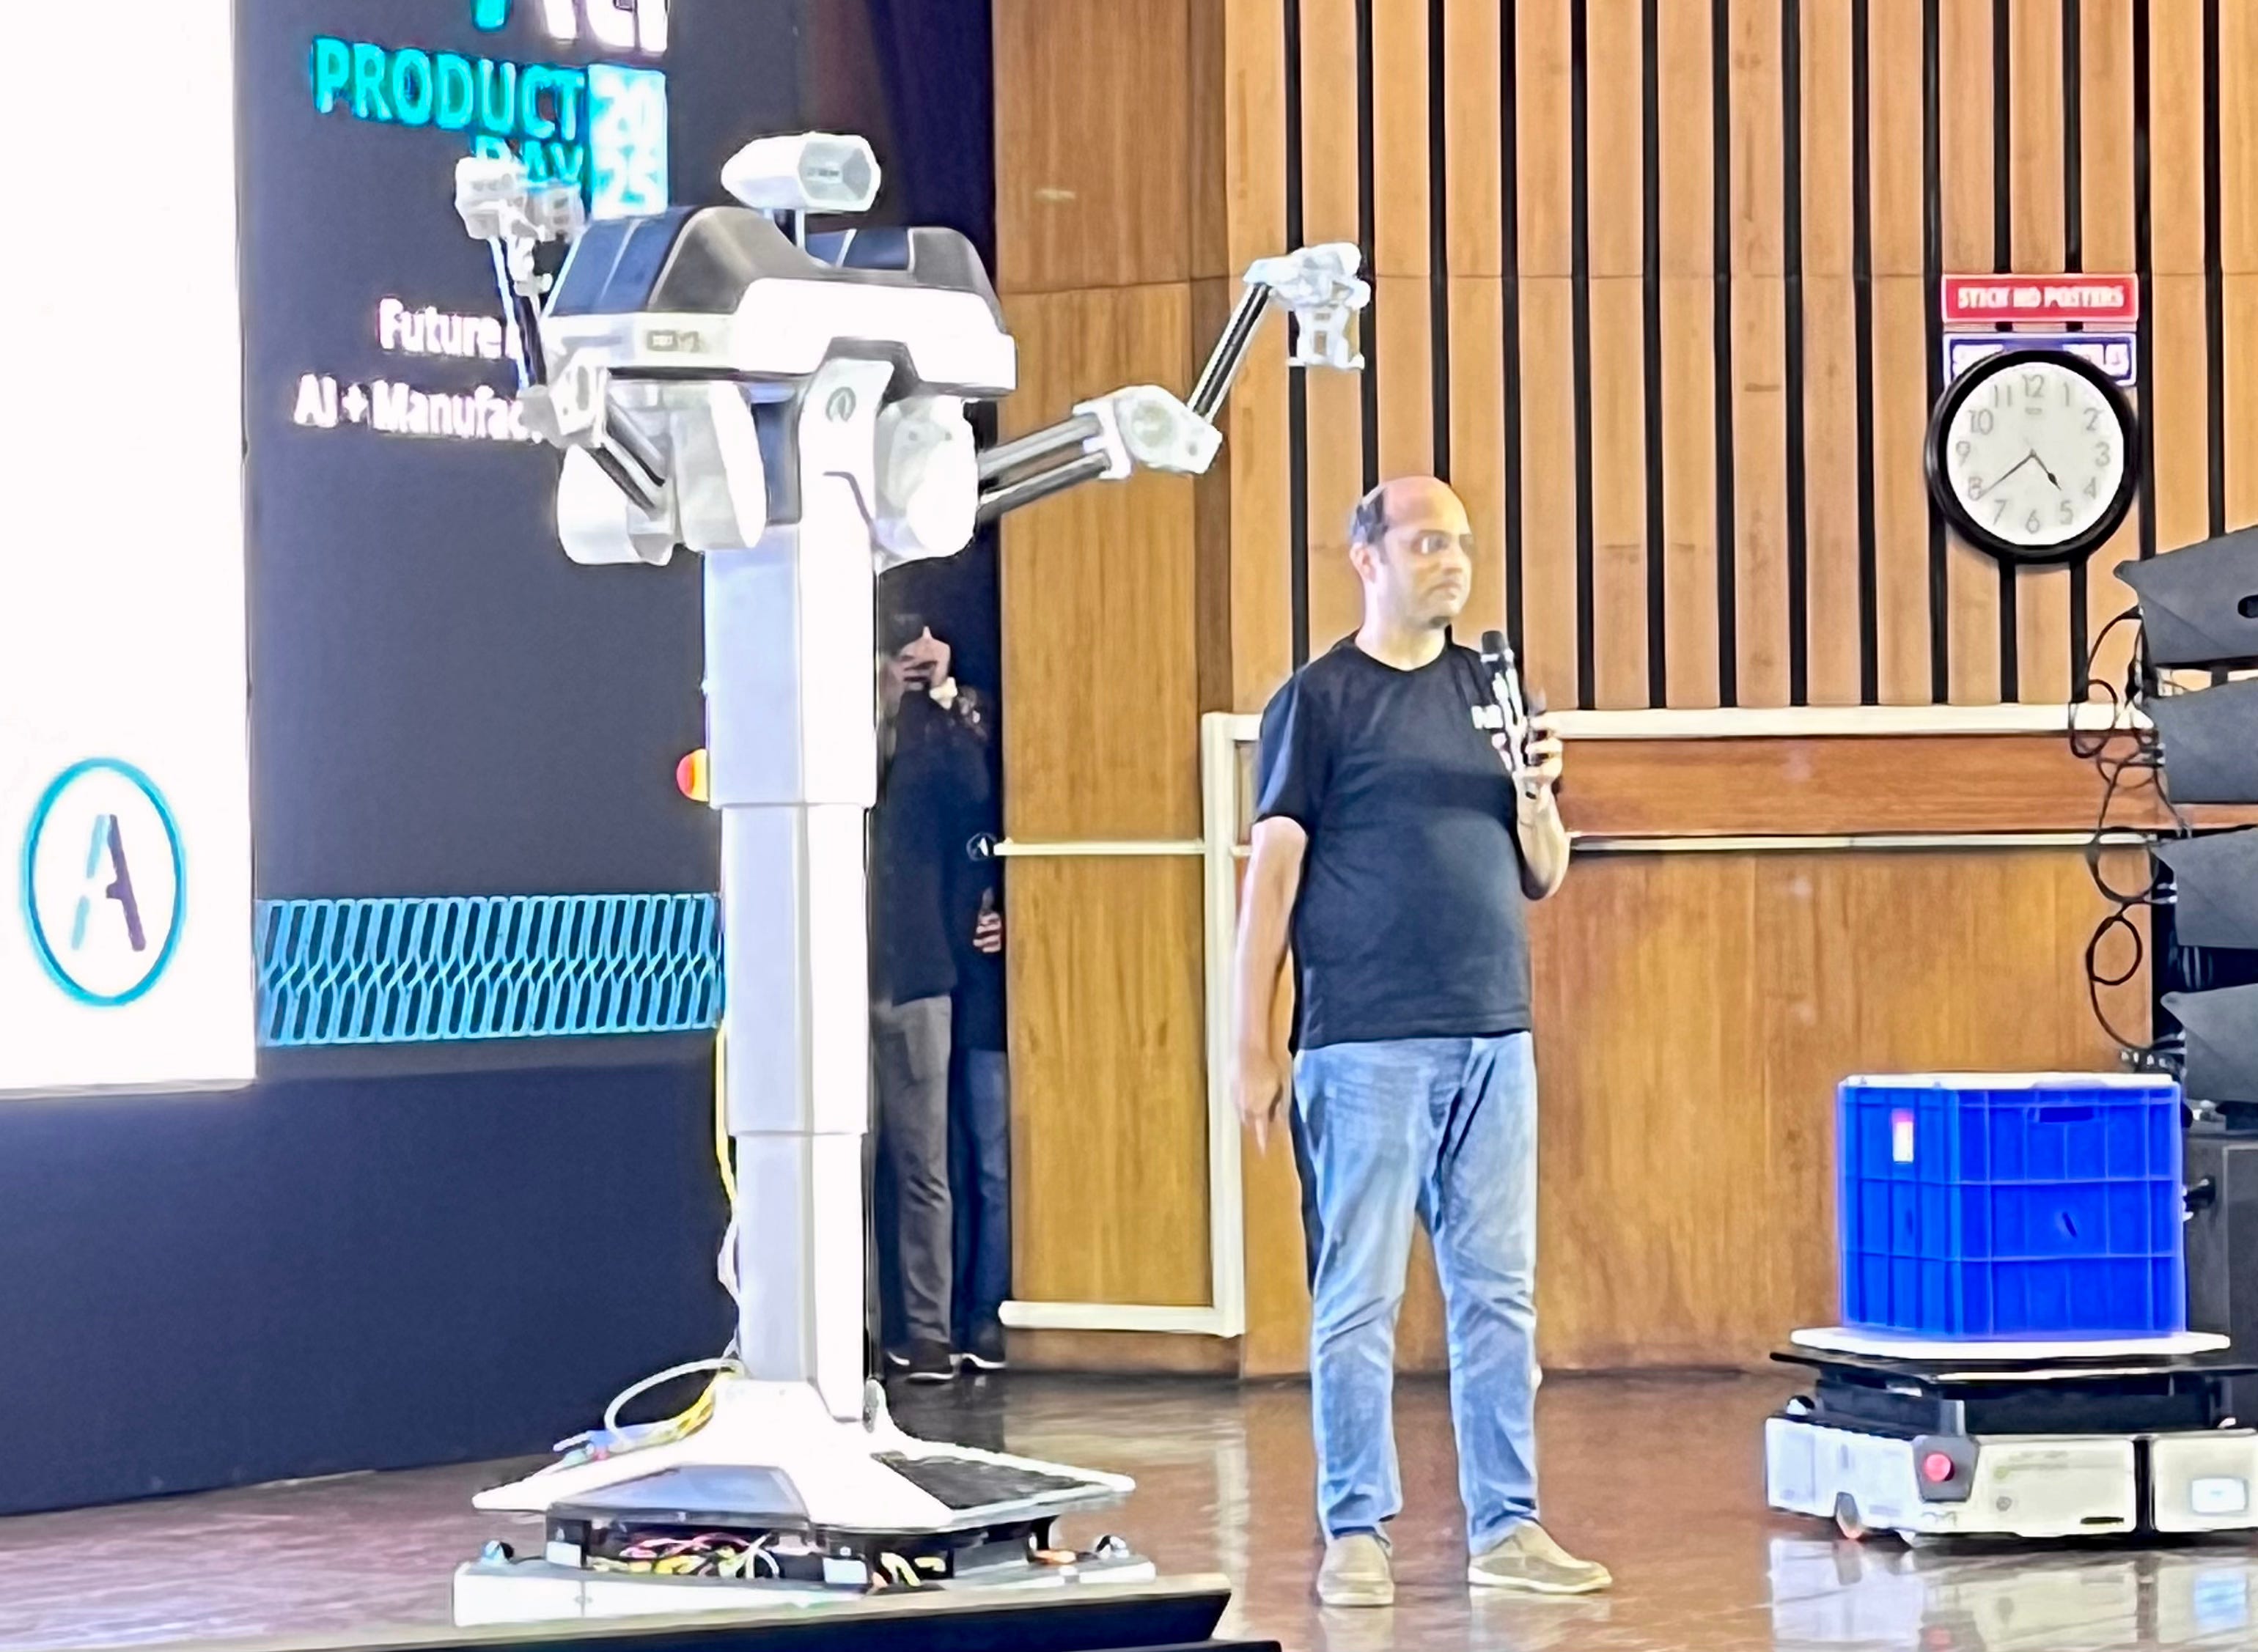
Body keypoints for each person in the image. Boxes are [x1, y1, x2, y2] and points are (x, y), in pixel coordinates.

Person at [1232, 476, 1610, 1606]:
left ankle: (1508, 1525)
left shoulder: (1491, 694)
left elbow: (1543, 873)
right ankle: (1356, 1529)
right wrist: (1250, 1042)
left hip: (1494, 1035)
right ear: (1368, 558)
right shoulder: (1320, 700)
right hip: (1365, 1042)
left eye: (1464, 544)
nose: (1453, 561)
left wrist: (1538, 794)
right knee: (1358, 1295)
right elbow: (1273, 874)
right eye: (1428, 542)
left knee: (1498, 1295)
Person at [870, 616, 989, 1384]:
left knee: (924, 1163)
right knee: (839, 1165)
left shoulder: (931, 735)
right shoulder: (817, 732)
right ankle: (849, 1329)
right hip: (828, 982)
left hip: (915, 972)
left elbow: (973, 793)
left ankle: (929, 1332)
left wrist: (941, 693)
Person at [946, 687, 1012, 1373]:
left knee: (996, 1170)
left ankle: (988, 1313)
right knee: (964, 1168)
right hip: (961, 1008)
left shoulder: (1022, 811)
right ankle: (954, 1316)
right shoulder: (949, 809)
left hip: (1005, 1017)